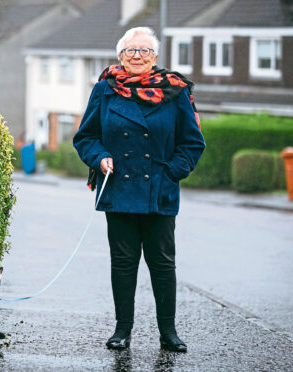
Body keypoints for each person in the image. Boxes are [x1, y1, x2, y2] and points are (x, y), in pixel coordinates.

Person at [73, 27, 205, 352]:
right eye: (131, 50)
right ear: (120, 56)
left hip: (160, 192)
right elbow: (86, 136)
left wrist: (171, 173)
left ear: (155, 58)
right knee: (123, 263)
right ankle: (122, 330)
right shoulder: (104, 89)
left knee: (162, 263)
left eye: (145, 51)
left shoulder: (175, 91)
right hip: (118, 190)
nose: (137, 56)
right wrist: (100, 157)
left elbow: (192, 143)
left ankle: (168, 332)